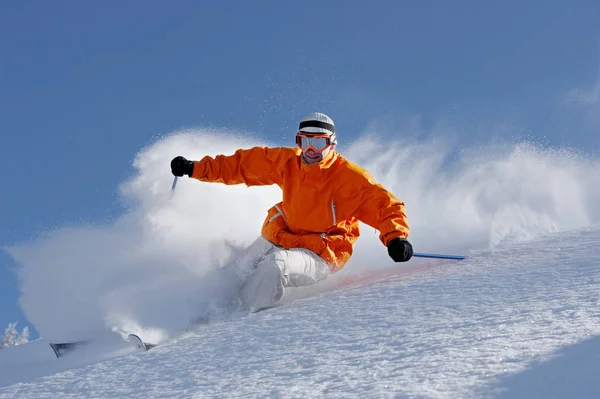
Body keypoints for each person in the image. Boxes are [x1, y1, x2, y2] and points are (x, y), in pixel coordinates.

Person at [170, 112, 413, 312]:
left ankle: (237, 320)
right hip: (281, 236)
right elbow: (242, 165)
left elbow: (384, 205)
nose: (311, 149)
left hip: (322, 251)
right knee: (238, 268)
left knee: (275, 266)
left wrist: (396, 238)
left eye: (318, 142)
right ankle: (196, 320)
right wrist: (195, 168)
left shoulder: (348, 178)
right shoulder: (288, 162)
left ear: (332, 143)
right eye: (304, 141)